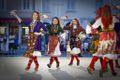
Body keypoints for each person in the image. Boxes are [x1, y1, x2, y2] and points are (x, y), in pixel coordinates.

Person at [91, 5, 118, 77]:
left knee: (104, 54)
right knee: (109, 54)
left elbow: (93, 27)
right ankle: (104, 68)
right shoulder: (114, 18)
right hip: (112, 37)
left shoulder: (100, 19)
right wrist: (117, 8)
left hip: (103, 37)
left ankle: (111, 70)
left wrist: (100, 31)